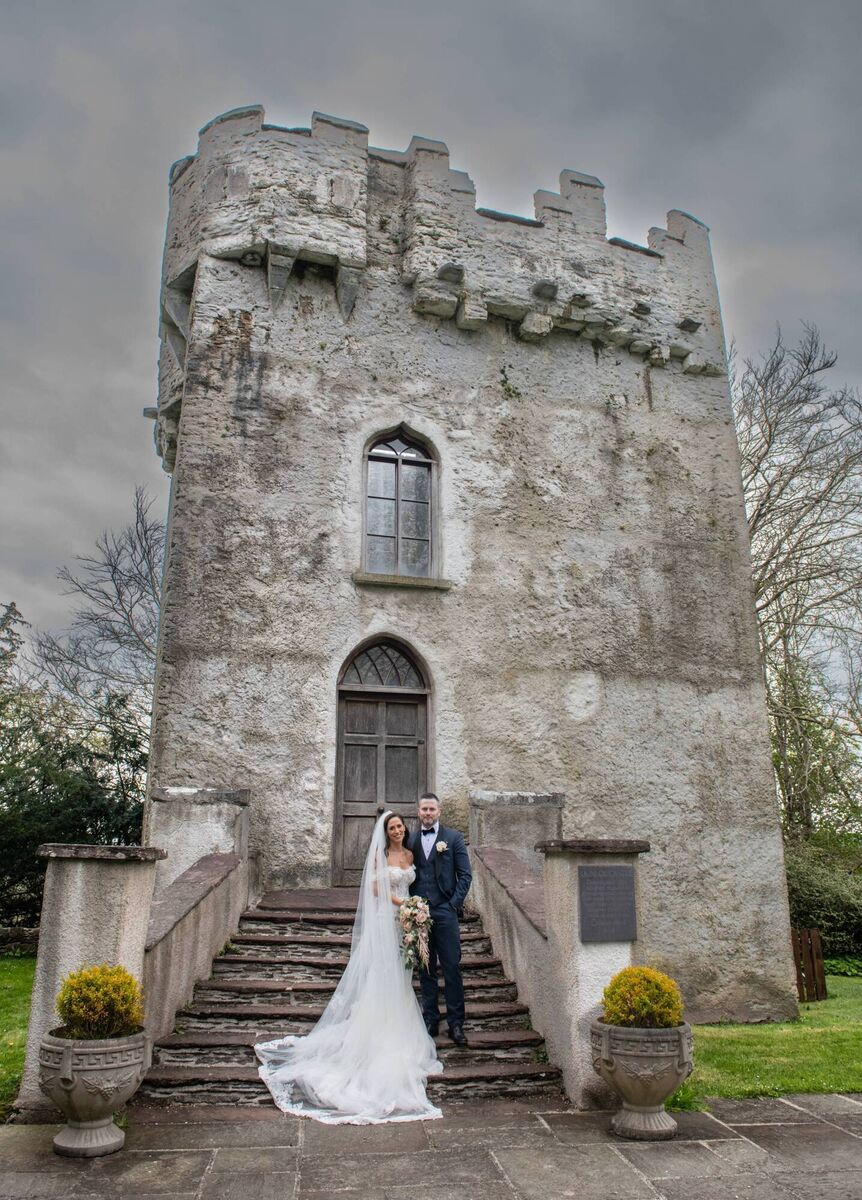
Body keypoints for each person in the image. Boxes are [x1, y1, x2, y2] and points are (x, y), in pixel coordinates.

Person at [254, 811, 443, 1123]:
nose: (397, 830)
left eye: (399, 826)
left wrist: (415, 910)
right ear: (385, 832)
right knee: (384, 976)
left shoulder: (410, 854)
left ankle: (400, 1030)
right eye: (391, 827)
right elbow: (376, 891)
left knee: (403, 974)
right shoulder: (380, 856)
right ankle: (375, 1034)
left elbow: (414, 883)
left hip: (407, 923)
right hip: (388, 920)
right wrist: (405, 905)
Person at [407, 794, 473, 1046]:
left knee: (452, 967)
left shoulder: (453, 838)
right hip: (419, 913)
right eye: (423, 808)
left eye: (431, 808)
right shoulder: (411, 839)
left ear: (439, 811)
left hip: (445, 911)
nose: (427, 813)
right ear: (418, 811)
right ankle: (431, 1019)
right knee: (425, 968)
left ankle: (456, 1023)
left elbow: (465, 876)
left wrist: (452, 905)